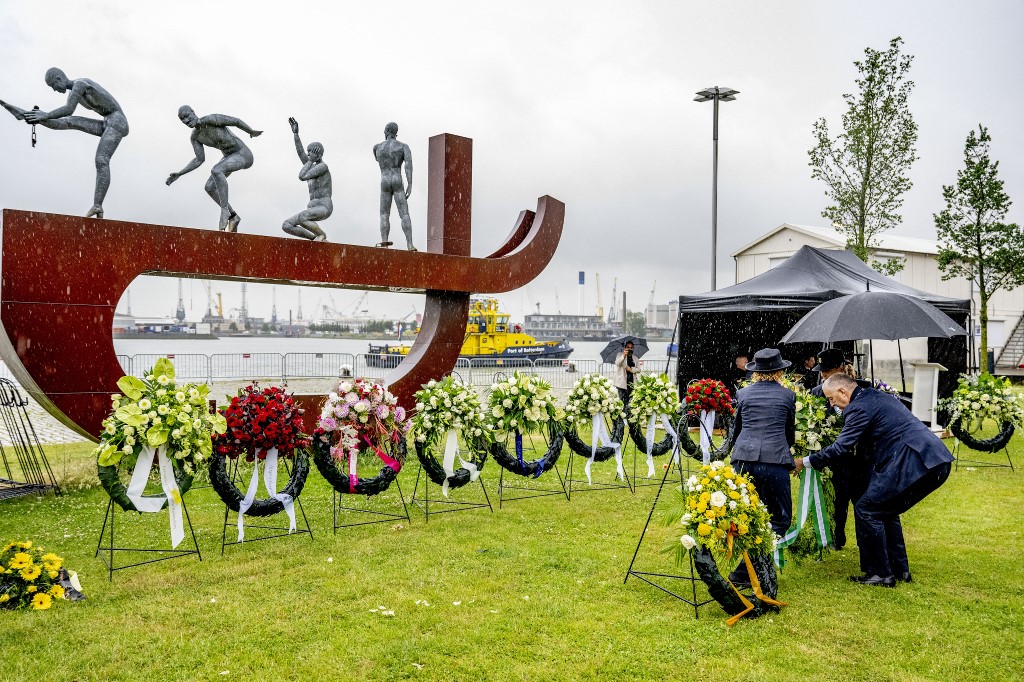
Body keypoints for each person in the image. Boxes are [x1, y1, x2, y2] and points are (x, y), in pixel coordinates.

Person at [795, 373, 954, 588]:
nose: (832, 405)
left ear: (843, 391)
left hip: (916, 461)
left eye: (832, 399)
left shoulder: (858, 407)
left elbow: (841, 447)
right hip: (934, 458)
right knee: (884, 510)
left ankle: (880, 574)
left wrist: (805, 461)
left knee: (868, 508)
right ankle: (899, 570)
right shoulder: (876, 396)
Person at [2, 68, 128, 218]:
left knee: (101, 160)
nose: (55, 90)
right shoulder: (75, 91)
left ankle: (97, 205)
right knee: (68, 122)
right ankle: (25, 115)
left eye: (53, 86)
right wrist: (42, 118)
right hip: (106, 122)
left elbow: (69, 109)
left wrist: (46, 115)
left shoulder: (80, 84)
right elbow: (68, 116)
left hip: (117, 121)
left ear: (59, 79)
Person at [727, 348, 796, 586]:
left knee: (747, 514)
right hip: (774, 461)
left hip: (743, 459)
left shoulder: (743, 394)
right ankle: (747, 570)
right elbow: (790, 433)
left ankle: (747, 569)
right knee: (780, 518)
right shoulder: (788, 396)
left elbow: (736, 430)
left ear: (755, 372)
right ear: (779, 371)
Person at [166, 106, 262, 232]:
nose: (186, 121)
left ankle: (224, 211)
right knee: (209, 187)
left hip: (242, 154)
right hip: (228, 157)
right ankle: (233, 216)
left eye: (187, 116)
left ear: (193, 112)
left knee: (216, 170)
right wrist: (180, 173)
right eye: (183, 120)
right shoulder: (195, 137)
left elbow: (236, 121)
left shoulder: (211, 119)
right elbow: (199, 160)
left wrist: (250, 131)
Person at [808, 348, 863, 551]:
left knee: (860, 499)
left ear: (840, 368)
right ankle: (834, 537)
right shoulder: (816, 392)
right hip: (830, 455)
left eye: (828, 370)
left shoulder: (859, 389)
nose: (823, 375)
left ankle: (865, 539)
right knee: (836, 499)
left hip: (857, 456)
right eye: (821, 370)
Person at [282, 118, 332, 241]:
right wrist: (295, 134)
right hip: (312, 207)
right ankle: (314, 238)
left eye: (310, 152)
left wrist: (310, 161)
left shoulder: (322, 167)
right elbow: (300, 153)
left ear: (317, 154)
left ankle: (321, 235)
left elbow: (302, 176)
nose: (308, 155)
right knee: (287, 225)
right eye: (308, 153)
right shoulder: (311, 166)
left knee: (302, 217)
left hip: (324, 207)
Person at [373, 122, 416, 250]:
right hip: (397, 178)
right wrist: (410, 183)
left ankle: (384, 242)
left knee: (384, 214)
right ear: (396, 132)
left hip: (385, 180)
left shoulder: (377, 147)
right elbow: (408, 166)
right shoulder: (403, 147)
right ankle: (409, 244)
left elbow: (377, 159)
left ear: (386, 131)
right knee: (404, 214)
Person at [612, 341, 641, 405]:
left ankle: (627, 414)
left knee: (630, 400)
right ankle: (621, 414)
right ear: (625, 348)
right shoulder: (620, 355)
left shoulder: (635, 358)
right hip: (622, 381)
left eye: (631, 347)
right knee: (621, 400)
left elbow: (639, 369)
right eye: (628, 347)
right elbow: (617, 363)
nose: (630, 349)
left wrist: (631, 370)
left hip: (631, 382)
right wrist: (624, 356)